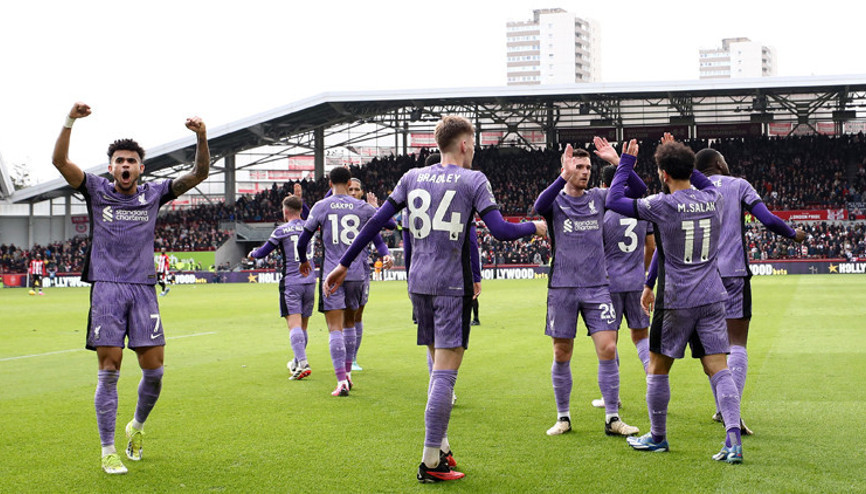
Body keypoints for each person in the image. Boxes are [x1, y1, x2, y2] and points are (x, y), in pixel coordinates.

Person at [323, 115, 546, 483]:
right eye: (472, 144)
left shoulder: (411, 176)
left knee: (434, 365)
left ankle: (440, 446)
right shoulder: (473, 179)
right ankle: (430, 461)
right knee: (446, 373)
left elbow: (376, 222)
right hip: (452, 286)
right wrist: (534, 226)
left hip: (419, 284)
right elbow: (501, 230)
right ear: (462, 144)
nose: (473, 150)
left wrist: (344, 263)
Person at [52, 102, 210, 474]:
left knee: (154, 372)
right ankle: (108, 449)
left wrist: (201, 136)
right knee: (110, 368)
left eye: (131, 161)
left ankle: (135, 427)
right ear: (110, 167)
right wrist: (70, 120)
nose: (125, 166)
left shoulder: (154, 193)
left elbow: (200, 172)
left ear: (141, 167)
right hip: (107, 287)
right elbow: (59, 161)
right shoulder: (94, 189)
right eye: (119, 161)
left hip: (143, 288)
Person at [606, 134, 744, 464]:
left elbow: (614, 200)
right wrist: (683, 157)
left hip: (677, 300)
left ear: (664, 174)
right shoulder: (714, 196)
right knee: (718, 369)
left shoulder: (662, 205)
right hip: (712, 296)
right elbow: (695, 179)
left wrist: (625, 162)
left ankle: (657, 436)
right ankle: (734, 440)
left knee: (657, 368)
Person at [533, 139, 643, 439]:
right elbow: (538, 206)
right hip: (562, 288)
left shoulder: (599, 197)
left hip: (597, 287)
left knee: (608, 348)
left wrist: (619, 161)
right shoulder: (555, 201)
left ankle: (612, 418)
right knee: (561, 352)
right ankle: (563, 417)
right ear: (566, 167)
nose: (584, 172)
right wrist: (562, 177)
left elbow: (639, 192)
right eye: (578, 167)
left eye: (588, 167)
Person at [694, 148, 805, 434]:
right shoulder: (738, 185)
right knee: (737, 343)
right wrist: (794, 234)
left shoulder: (690, 188)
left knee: (711, 346)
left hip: (698, 276)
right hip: (733, 273)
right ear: (719, 163)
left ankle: (722, 408)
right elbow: (767, 220)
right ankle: (732, 411)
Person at [296, 167, 391, 397]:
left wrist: (302, 261)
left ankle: (341, 380)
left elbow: (302, 241)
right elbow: (389, 225)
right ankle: (348, 374)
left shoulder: (321, 206)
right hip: (357, 273)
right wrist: (376, 208)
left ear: (330, 183)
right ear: (349, 183)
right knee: (350, 324)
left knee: (334, 328)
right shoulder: (362, 207)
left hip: (332, 273)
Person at [590, 164, 656, 408]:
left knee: (609, 340)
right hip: (637, 282)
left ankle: (612, 397)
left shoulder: (604, 211)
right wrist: (642, 271)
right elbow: (651, 247)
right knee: (641, 336)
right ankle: (653, 385)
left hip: (609, 284)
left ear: (605, 185)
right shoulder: (640, 209)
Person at [248, 195, 317, 380]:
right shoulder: (310, 227)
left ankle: (303, 363)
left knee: (293, 325)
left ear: (285, 211)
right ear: (301, 210)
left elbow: (263, 253)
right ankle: (296, 362)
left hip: (291, 283)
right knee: (303, 326)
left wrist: (252, 253)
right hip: (310, 281)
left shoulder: (281, 231)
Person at [345, 178, 396, 372]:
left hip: (360, 270)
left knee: (356, 315)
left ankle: (353, 358)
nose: (353, 192)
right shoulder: (334, 208)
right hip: (336, 268)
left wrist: (376, 208)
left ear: (361, 192)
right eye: (349, 188)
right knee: (338, 316)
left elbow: (385, 230)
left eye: (357, 189)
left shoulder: (366, 213)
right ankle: (342, 358)